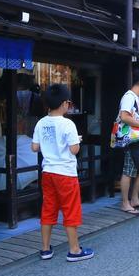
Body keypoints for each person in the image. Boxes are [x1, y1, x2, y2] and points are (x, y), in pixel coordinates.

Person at [31, 84, 93, 262]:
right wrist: (76, 141)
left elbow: (35, 147)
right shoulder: (68, 124)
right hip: (65, 173)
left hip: (48, 172)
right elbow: (74, 150)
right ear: (65, 103)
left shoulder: (41, 123)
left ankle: (45, 249)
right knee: (70, 209)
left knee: (48, 208)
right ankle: (74, 250)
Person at [117, 70, 139, 214]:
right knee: (129, 171)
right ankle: (125, 203)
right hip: (131, 140)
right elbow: (124, 116)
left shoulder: (134, 98)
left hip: (137, 139)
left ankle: (135, 198)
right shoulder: (129, 97)